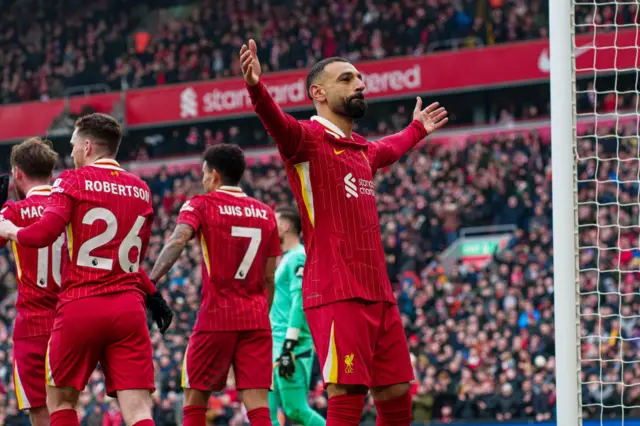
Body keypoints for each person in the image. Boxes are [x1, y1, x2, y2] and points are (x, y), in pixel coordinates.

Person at [240, 40, 448, 425]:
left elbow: (390, 147)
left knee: (397, 390)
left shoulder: (361, 150)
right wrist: (256, 88)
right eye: (347, 78)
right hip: (337, 291)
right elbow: (275, 121)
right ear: (318, 92)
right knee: (348, 392)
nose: (360, 84)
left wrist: (418, 129)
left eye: (360, 78)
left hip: (379, 292)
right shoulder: (304, 141)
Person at [0, 113, 173, 426]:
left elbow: (44, 234)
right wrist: (152, 294)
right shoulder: (142, 190)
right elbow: (132, 262)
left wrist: (9, 228)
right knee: (139, 411)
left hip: (76, 306)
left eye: (74, 144)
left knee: (59, 403)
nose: (72, 152)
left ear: (88, 145)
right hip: (128, 309)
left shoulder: (69, 183)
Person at [148, 144, 281, 426]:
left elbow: (177, 240)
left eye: (204, 173)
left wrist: (150, 281)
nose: (202, 180)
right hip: (256, 319)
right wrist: (261, 313)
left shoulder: (201, 204)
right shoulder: (266, 214)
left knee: (194, 397)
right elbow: (270, 277)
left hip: (217, 315)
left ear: (215, 175)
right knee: (258, 406)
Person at [0, 137, 60, 426]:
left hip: (32, 322)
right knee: (67, 404)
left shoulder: (12, 212)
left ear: (17, 174)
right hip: (69, 319)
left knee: (40, 409)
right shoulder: (69, 205)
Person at [269, 205, 325, 426]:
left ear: (285, 226)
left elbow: (299, 302)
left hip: (290, 346)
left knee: (295, 410)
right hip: (274, 344)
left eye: (274, 222)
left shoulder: (298, 257)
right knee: (267, 415)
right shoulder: (285, 259)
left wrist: (289, 345)